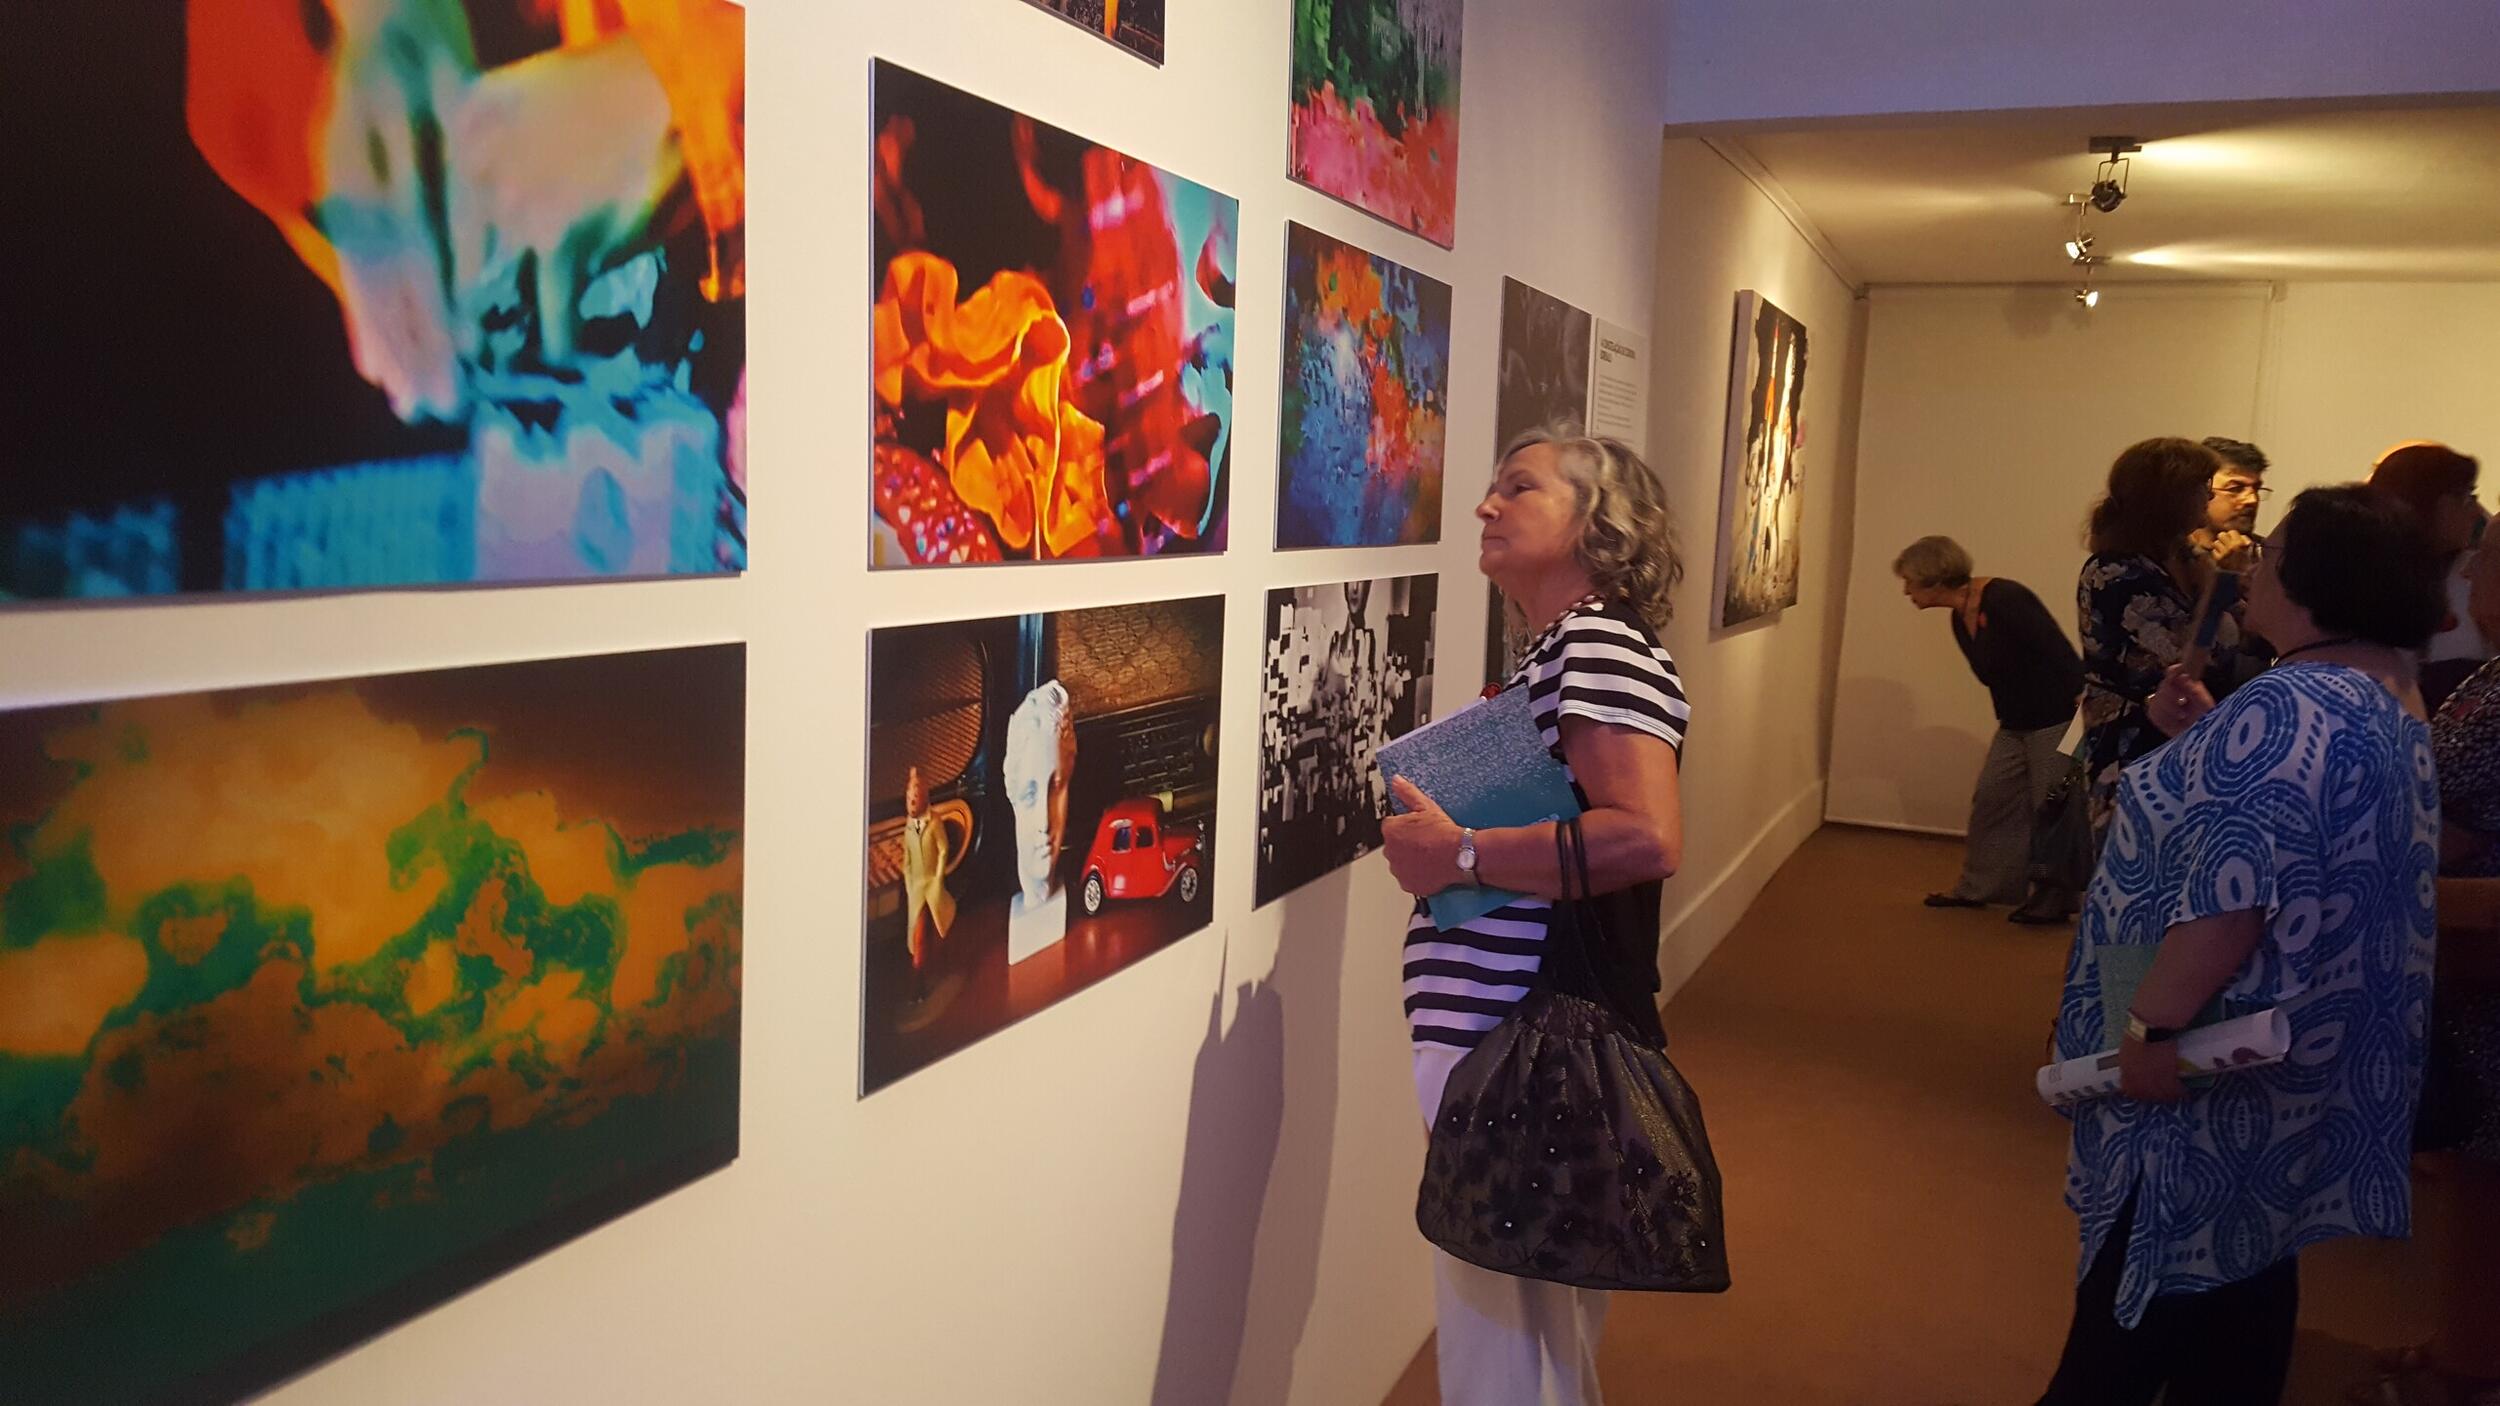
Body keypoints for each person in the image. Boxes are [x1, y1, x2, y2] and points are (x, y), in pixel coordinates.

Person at [2036, 485, 2445, 1405]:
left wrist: (2150, 1031)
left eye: (2274, 551)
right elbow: (2296, 836)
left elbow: (2234, 895)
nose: (2252, 565)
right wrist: (2203, 735)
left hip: (2208, 1063)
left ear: (2310, 581)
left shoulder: (2288, 710)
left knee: (2134, 1308)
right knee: (2243, 1292)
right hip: (2299, 1061)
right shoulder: (2388, 693)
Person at [1382, 424, 1690, 1406]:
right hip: (1507, 1027)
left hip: (1516, 1028)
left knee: (1496, 1327)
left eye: (1517, 487)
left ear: (1597, 525)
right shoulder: (1566, 648)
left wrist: (1459, 853)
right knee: (1529, 1318)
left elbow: (1643, 835)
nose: (1485, 505)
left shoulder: (1594, 642)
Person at [1893, 536, 2083, 919]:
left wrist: (2085, 706)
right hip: (2015, 723)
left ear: (1934, 578)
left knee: (2053, 807)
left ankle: (2056, 897)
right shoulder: (1958, 619)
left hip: (2059, 717)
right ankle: (1984, 886)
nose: (1906, 591)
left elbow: (2057, 649)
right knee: (1993, 799)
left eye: (1910, 581)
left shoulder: (2006, 598)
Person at [2076, 438, 2237, 847]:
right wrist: (2224, 588)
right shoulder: (2114, 571)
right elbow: (2198, 656)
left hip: (2184, 730)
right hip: (2133, 737)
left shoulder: (2189, 558)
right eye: (2202, 483)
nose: (2210, 494)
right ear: (2168, 496)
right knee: (2134, 855)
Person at [2370, 442, 2489, 710]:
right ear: (2430, 503)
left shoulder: (2478, 575)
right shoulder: (2364, 588)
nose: (2475, 510)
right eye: (2467, 496)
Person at [2193, 437, 2272, 574]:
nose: (2252, 500)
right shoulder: (2168, 556)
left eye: (2256, 489)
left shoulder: (2271, 558)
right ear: (2201, 490)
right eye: (2235, 489)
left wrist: (2243, 572)